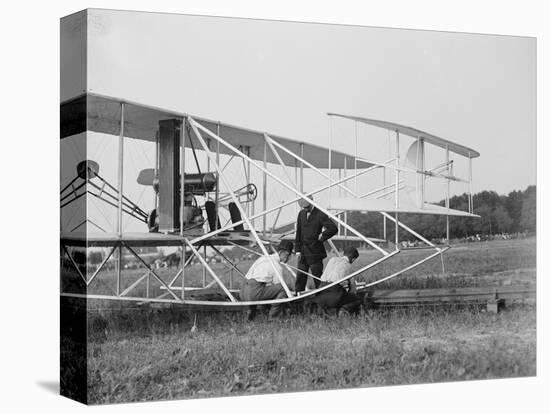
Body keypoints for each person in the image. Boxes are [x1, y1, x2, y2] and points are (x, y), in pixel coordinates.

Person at [240, 240, 293, 321]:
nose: (288, 257)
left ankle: (250, 315)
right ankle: (274, 317)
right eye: (288, 254)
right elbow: (280, 286)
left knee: (266, 288)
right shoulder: (277, 266)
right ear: (281, 252)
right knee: (283, 289)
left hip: (243, 291)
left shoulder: (263, 258)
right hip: (253, 292)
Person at [294, 196, 338, 294]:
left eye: (307, 206)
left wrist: (322, 236)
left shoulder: (320, 214)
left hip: (315, 252)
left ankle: (322, 298)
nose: (305, 209)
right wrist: (297, 249)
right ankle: (297, 300)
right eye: (303, 207)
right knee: (300, 277)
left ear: (312, 202)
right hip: (303, 252)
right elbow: (299, 232)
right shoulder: (301, 214)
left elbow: (333, 228)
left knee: (317, 277)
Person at [311, 246, 361, 315]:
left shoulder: (332, 260)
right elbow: (353, 288)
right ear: (353, 259)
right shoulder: (348, 266)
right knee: (357, 299)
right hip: (334, 295)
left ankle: (324, 310)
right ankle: (342, 311)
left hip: (320, 293)